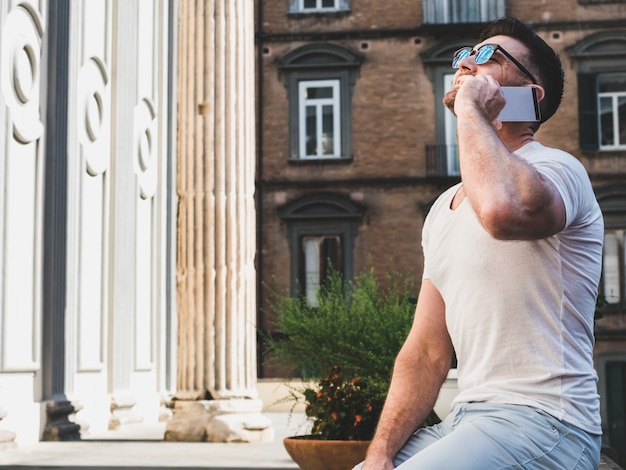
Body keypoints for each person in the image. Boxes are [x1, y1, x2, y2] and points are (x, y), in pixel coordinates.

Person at [355, 17, 604, 470]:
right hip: (465, 420)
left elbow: (502, 213)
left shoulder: (560, 170)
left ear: (530, 96)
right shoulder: (443, 209)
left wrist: (470, 108)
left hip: (548, 422)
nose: (467, 62)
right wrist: (380, 453)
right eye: (464, 55)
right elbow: (427, 349)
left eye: (489, 56)